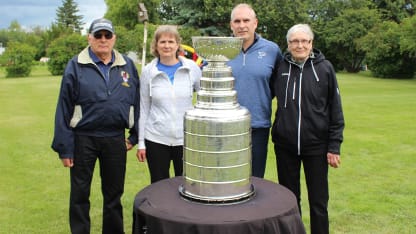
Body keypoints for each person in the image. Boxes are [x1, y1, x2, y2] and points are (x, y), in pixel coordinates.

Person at [51, 18, 140, 234]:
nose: (103, 40)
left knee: (113, 194)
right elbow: (64, 107)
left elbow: (137, 102)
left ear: (114, 38)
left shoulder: (127, 65)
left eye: (107, 35)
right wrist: (65, 147)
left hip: (115, 139)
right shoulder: (75, 65)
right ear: (89, 37)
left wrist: (134, 136)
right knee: (80, 194)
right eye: (98, 35)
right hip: (84, 138)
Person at [271, 23, 345, 234]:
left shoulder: (325, 68)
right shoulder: (281, 67)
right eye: (295, 41)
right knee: (289, 201)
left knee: (319, 202)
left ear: (311, 43)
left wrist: (334, 145)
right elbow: (264, 94)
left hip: (317, 146)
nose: (300, 45)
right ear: (288, 44)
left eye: (305, 41)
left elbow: (335, 108)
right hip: (285, 146)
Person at [136, 25, 201, 184]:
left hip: (186, 139)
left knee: (187, 186)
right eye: (162, 41)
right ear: (156, 45)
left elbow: (202, 100)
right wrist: (141, 143)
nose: (167, 46)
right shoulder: (148, 71)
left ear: (178, 44)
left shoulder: (191, 68)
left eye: (171, 41)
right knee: (159, 187)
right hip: (156, 139)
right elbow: (144, 108)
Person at [227, 3, 283, 178]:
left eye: (246, 20)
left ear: (255, 23)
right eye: (237, 21)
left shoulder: (272, 50)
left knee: (256, 178)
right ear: (231, 25)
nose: (242, 25)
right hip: (225, 125)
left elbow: (277, 85)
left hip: (258, 124)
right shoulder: (220, 49)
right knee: (228, 177)